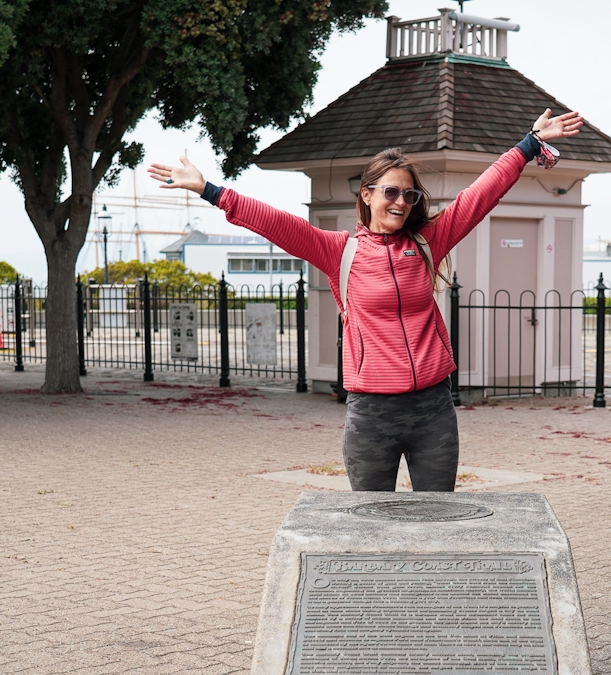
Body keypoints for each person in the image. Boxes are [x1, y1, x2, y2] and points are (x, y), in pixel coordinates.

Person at [147, 108, 583, 492]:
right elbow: (275, 223)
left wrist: (529, 144)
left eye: (408, 195)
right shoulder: (340, 250)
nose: (400, 202)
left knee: (439, 522)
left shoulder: (429, 240)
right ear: (367, 194)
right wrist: (209, 190)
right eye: (390, 192)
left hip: (433, 408)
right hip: (371, 413)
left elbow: (480, 195)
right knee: (370, 527)